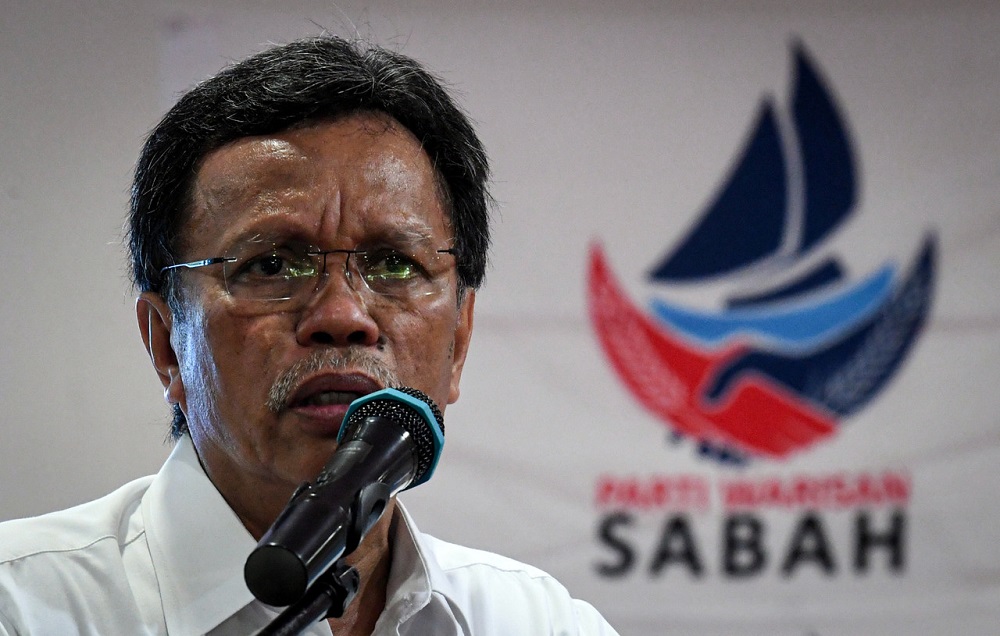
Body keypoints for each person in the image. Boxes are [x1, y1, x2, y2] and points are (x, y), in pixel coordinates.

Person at [0, 36, 619, 635]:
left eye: (395, 264)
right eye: (271, 264)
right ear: (166, 346)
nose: (344, 315)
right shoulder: (25, 607)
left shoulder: (545, 623)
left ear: (458, 341)